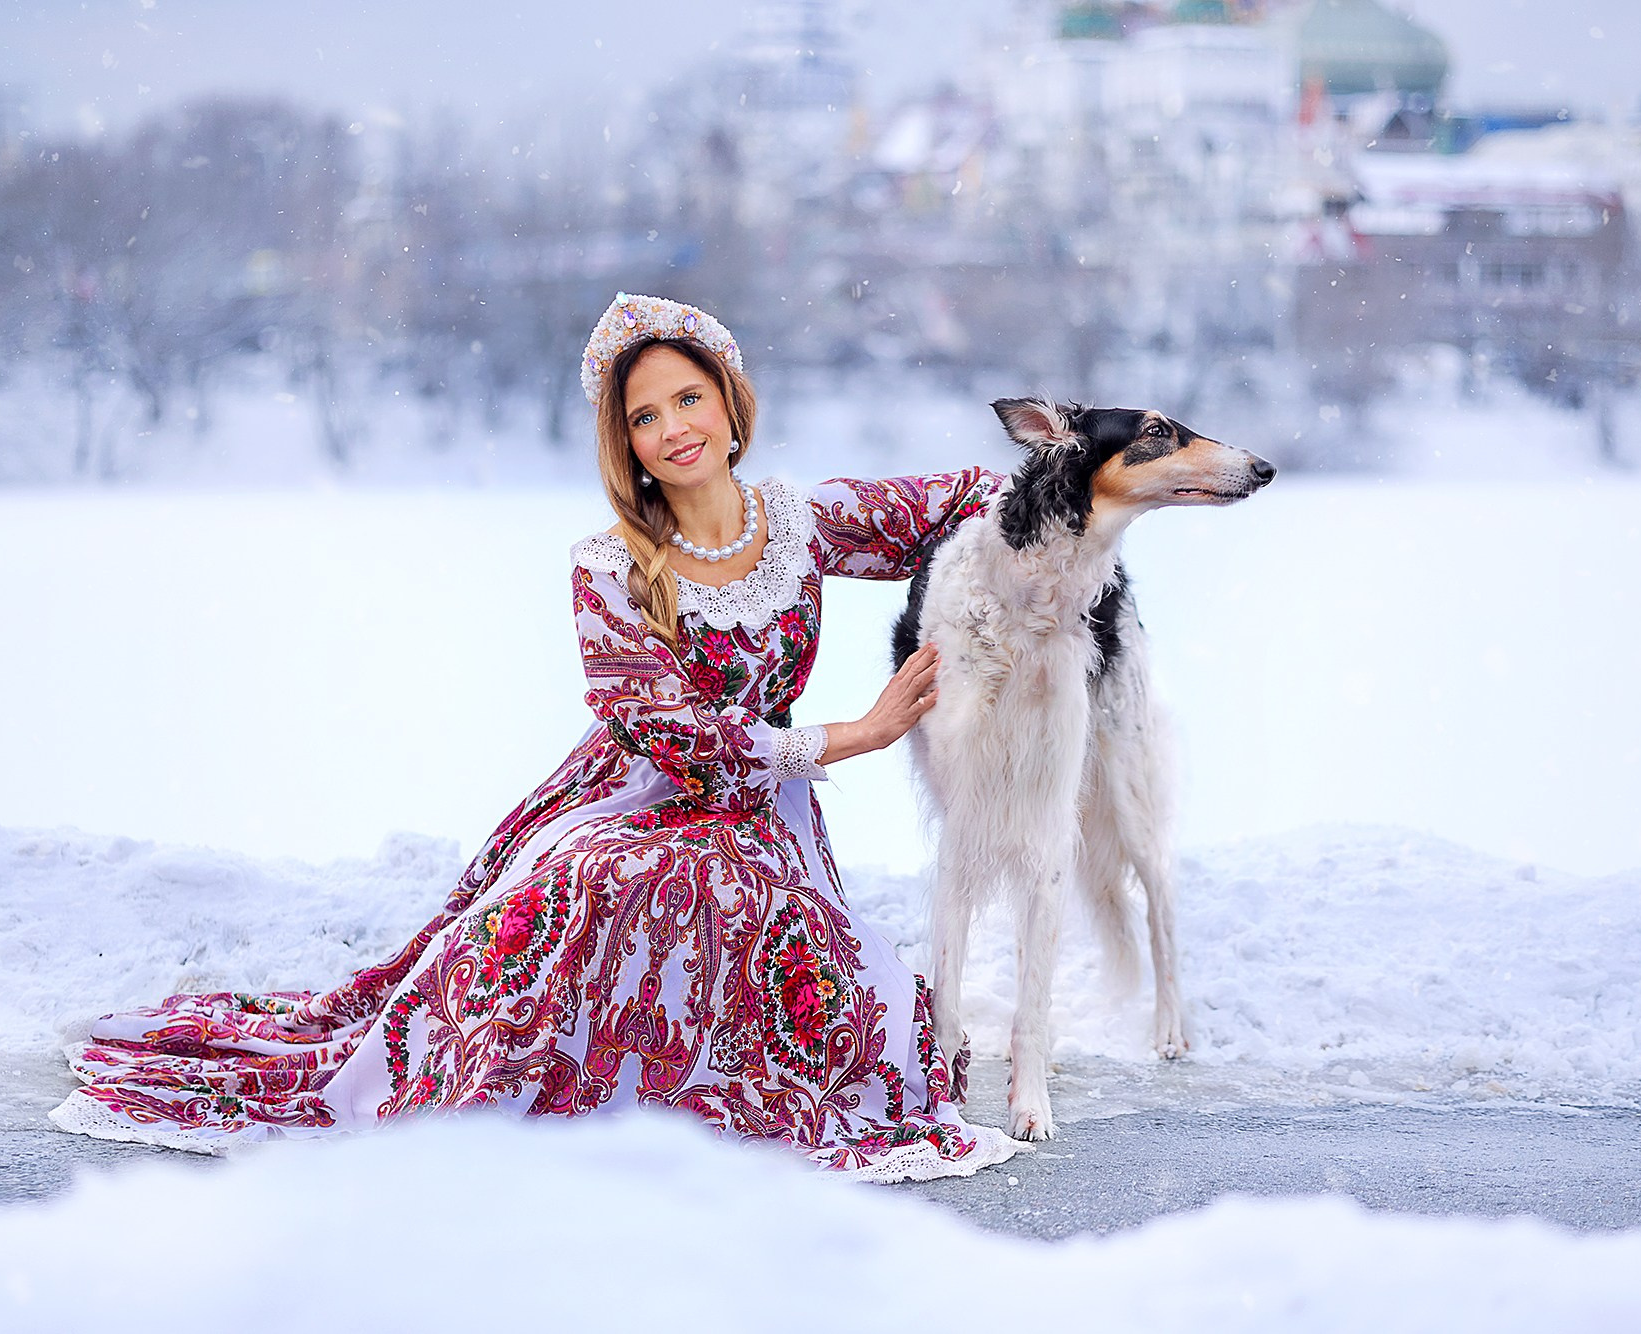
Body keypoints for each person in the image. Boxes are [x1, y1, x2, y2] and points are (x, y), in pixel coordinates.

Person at [51, 293, 1018, 1181]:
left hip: (764, 811)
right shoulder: (609, 566)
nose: (675, 428)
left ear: (730, 401)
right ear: (626, 445)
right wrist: (854, 735)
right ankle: (551, 1093)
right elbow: (669, 734)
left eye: (689, 398)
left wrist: (991, 605)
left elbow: (982, 499)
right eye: (646, 417)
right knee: (607, 882)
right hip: (630, 794)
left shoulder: (804, 522)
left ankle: (695, 1093)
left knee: (748, 907)